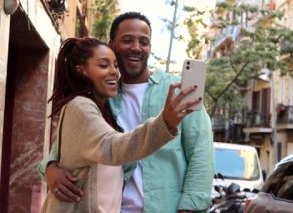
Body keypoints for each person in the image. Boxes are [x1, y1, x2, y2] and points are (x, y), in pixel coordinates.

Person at [38, 12, 214, 213]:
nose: (137, 48)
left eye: (144, 42)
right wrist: (50, 167)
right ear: (112, 45)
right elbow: (69, 145)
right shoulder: (103, 97)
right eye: (128, 40)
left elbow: (201, 154)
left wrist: (189, 209)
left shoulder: (176, 91)